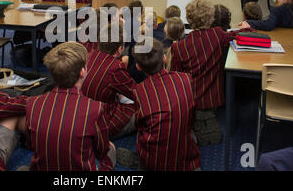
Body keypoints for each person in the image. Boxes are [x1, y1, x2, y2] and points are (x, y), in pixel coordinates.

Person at [26, 42, 116, 171]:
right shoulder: (94, 108)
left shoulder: (32, 104)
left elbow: (32, 145)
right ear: (82, 72)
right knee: (111, 149)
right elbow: (101, 150)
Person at [117, 38, 200, 171]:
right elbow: (192, 114)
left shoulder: (139, 91)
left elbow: (140, 124)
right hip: (186, 154)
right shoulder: (185, 78)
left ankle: (139, 161)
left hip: (154, 161)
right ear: (165, 58)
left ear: (138, 66)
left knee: (142, 130)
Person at [170, 0, 236, 146]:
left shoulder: (179, 47)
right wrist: (250, 26)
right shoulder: (217, 34)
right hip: (212, 99)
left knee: (210, 137)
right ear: (210, 17)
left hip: (189, 99)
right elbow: (239, 35)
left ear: (189, 19)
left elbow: (175, 77)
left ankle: (190, 126)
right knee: (215, 138)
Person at [82, 23, 137, 139]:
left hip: (80, 115)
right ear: (120, 49)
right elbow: (137, 93)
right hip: (99, 123)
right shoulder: (115, 67)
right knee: (143, 110)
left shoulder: (89, 55)